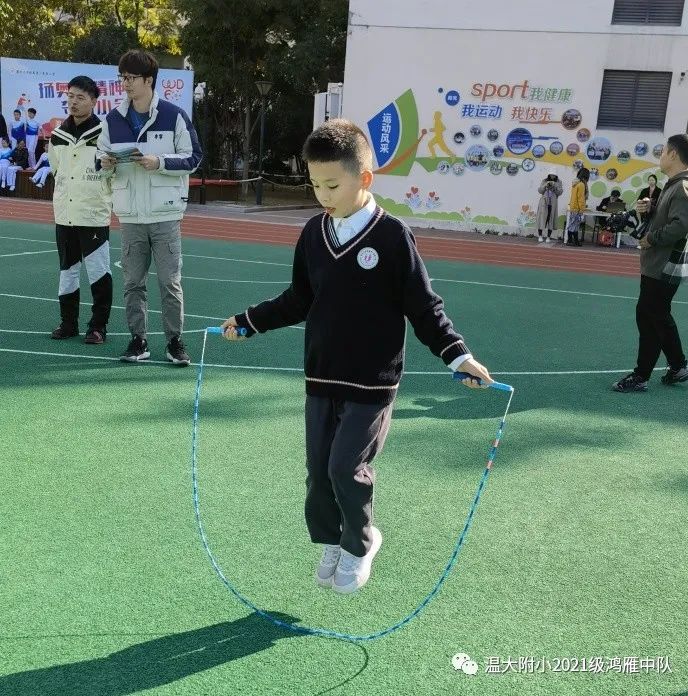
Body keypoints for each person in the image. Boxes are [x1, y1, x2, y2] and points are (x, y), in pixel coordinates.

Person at [220, 119, 494, 594]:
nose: (323, 195)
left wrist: (457, 356)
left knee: (346, 468)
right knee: (317, 475)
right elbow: (299, 299)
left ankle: (360, 543)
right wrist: (250, 320)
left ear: (364, 179)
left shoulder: (392, 237)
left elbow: (424, 308)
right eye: (315, 184)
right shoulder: (312, 234)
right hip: (322, 377)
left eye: (332, 184)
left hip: (372, 383)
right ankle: (334, 539)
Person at [97, 49, 202, 366]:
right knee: (132, 284)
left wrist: (159, 162)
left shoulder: (174, 116)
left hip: (165, 214)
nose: (124, 84)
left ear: (148, 80)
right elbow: (99, 162)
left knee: (170, 283)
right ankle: (138, 340)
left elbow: (193, 158)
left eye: (130, 78)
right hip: (130, 215)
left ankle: (174, 342)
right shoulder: (113, 119)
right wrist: (106, 163)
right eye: (122, 78)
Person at [612, 134, 688, 393]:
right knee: (657, 315)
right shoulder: (677, 184)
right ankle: (677, 366)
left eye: (662, 151)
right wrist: (651, 207)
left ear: (673, 155)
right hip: (663, 264)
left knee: (649, 316)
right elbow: (672, 215)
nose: (660, 156)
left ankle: (641, 376)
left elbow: (681, 224)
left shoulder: (683, 186)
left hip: (664, 264)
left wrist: (651, 238)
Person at [48, 76, 113, 344]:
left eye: (80, 98)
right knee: (68, 271)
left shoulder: (105, 133)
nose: (73, 102)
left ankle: (98, 327)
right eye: (70, 96)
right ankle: (68, 323)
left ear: (94, 102)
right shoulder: (57, 135)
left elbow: (113, 171)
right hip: (65, 214)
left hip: (93, 213)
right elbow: (56, 170)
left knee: (99, 273)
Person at [536, 171, 563, 243]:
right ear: (549, 174)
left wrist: (555, 186)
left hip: (553, 203)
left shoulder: (559, 182)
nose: (552, 176)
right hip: (544, 202)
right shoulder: (544, 180)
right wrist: (545, 185)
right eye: (551, 175)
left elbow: (560, 192)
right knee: (542, 218)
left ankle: (548, 237)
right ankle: (540, 235)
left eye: (554, 175)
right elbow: (540, 191)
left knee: (551, 219)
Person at [566, 167, 590, 246]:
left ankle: (572, 241)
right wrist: (582, 209)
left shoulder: (575, 183)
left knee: (573, 224)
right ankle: (572, 241)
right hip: (577, 208)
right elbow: (581, 198)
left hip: (573, 206)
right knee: (575, 225)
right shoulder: (582, 185)